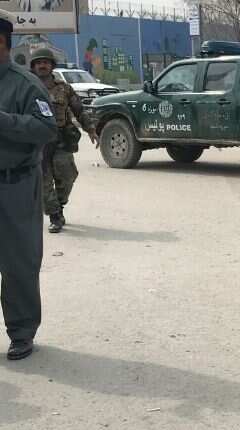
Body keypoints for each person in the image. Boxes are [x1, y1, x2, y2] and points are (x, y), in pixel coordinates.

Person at [0, 9, 58, 360]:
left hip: (16, 185)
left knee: (19, 262)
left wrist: (3, 121)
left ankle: (21, 332)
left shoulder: (25, 84)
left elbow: (46, 128)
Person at [29, 48, 97, 233]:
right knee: (43, 181)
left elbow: (79, 109)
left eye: (45, 62)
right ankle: (55, 215)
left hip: (61, 138)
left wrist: (90, 128)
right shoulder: (27, 86)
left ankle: (58, 205)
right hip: (37, 141)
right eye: (38, 62)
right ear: (33, 66)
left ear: (51, 65)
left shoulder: (64, 88)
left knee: (68, 174)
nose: (42, 65)